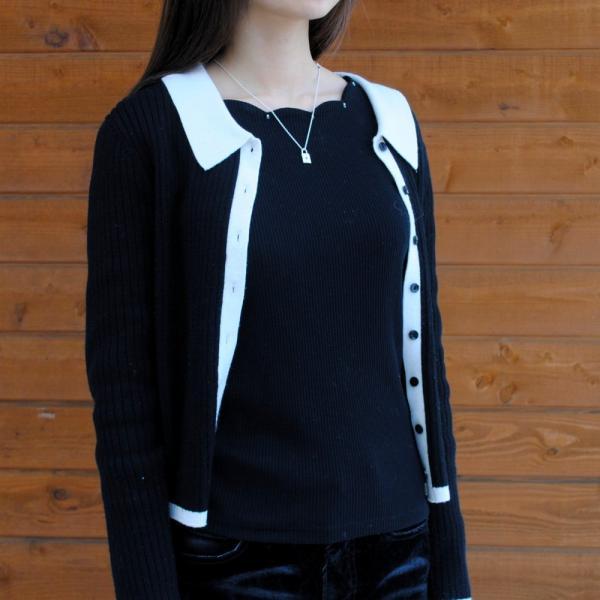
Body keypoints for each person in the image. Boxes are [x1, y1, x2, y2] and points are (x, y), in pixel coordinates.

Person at [85, 1, 472, 598]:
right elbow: (124, 398)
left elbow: (424, 358)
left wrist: (450, 572)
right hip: (234, 563)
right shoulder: (152, 130)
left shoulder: (389, 122)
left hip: (399, 552)